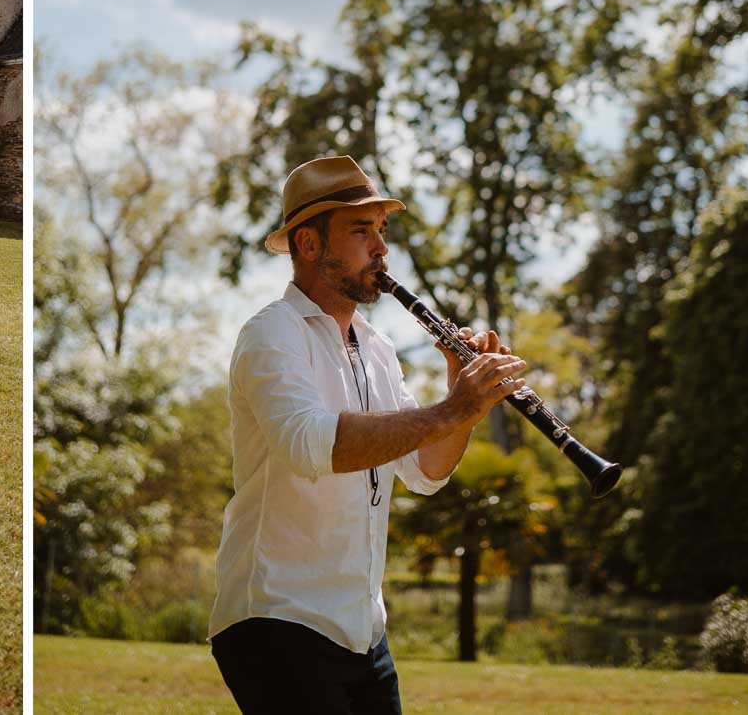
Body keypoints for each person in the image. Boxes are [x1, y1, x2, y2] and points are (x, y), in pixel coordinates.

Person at [209, 155, 526, 714]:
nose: (381, 249)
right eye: (361, 231)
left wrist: (466, 411)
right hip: (278, 619)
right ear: (308, 245)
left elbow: (425, 472)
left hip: (362, 632)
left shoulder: (377, 348)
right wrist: (451, 408)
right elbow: (314, 446)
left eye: (381, 230)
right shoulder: (271, 335)